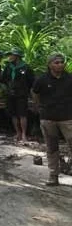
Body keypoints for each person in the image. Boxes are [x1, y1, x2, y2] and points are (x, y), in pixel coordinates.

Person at [31, 53, 72, 187]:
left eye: (61, 62)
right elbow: (35, 93)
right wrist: (39, 108)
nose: (60, 64)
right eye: (56, 62)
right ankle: (53, 176)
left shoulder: (69, 78)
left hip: (67, 118)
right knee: (52, 147)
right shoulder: (42, 79)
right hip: (48, 118)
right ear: (49, 65)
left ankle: (68, 166)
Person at [2, 48, 35, 142]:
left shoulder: (26, 67)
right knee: (13, 114)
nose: (10, 57)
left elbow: (31, 82)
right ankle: (18, 133)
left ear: (17, 56)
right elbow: (4, 79)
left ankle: (24, 134)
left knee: (22, 114)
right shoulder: (8, 67)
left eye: (11, 55)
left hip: (22, 94)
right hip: (10, 94)